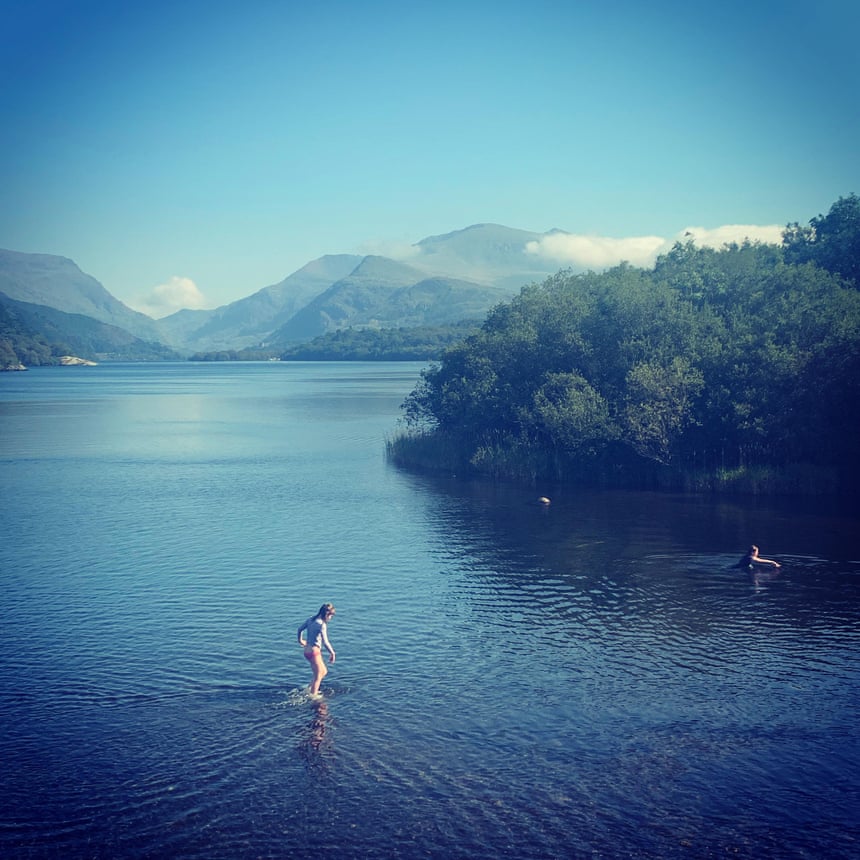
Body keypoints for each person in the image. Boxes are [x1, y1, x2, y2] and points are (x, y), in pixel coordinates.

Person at [297, 603, 336, 696]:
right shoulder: (321, 625)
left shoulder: (310, 619)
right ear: (326, 614)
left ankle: (309, 688)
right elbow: (325, 642)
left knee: (323, 672)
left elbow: (299, 629)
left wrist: (300, 640)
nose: (331, 618)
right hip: (314, 652)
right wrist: (332, 653)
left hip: (307, 650)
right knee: (318, 676)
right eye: (331, 616)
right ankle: (313, 696)